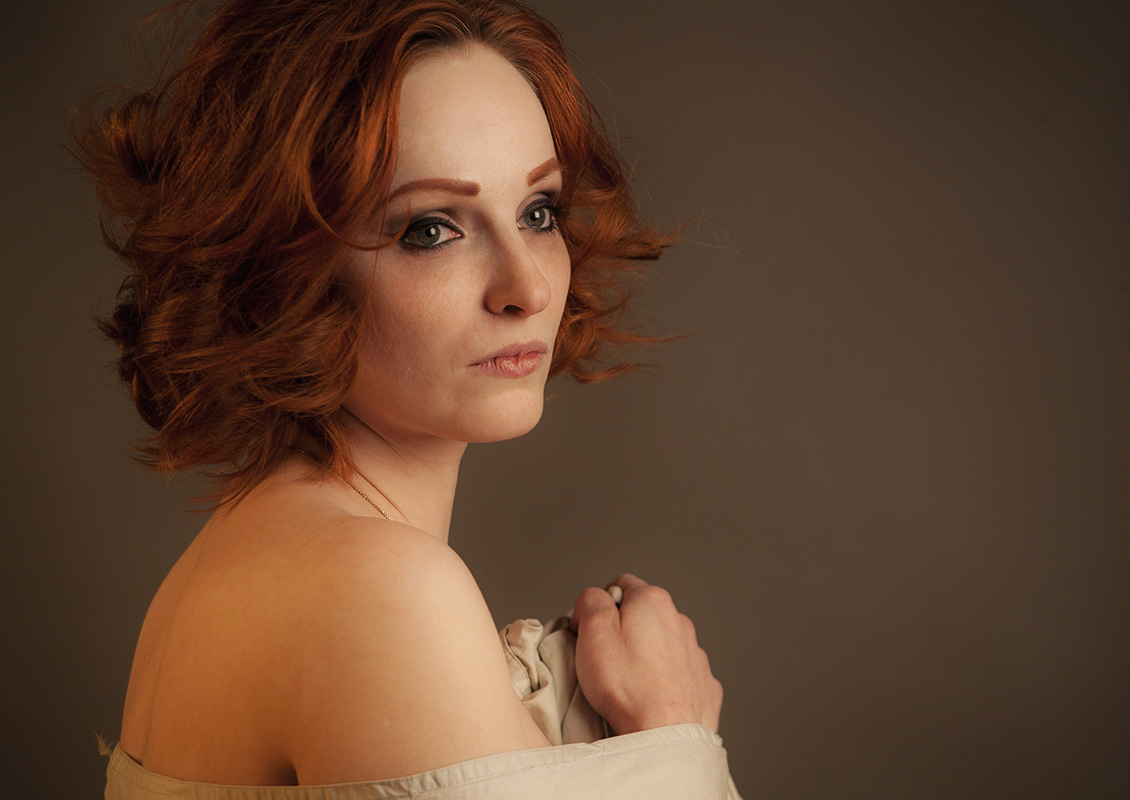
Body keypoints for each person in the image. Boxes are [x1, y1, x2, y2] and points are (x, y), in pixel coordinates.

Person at [77, 0, 739, 797]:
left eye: (538, 213)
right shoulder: (376, 587)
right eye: (430, 229)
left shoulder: (241, 559)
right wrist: (673, 736)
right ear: (283, 267)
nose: (527, 287)